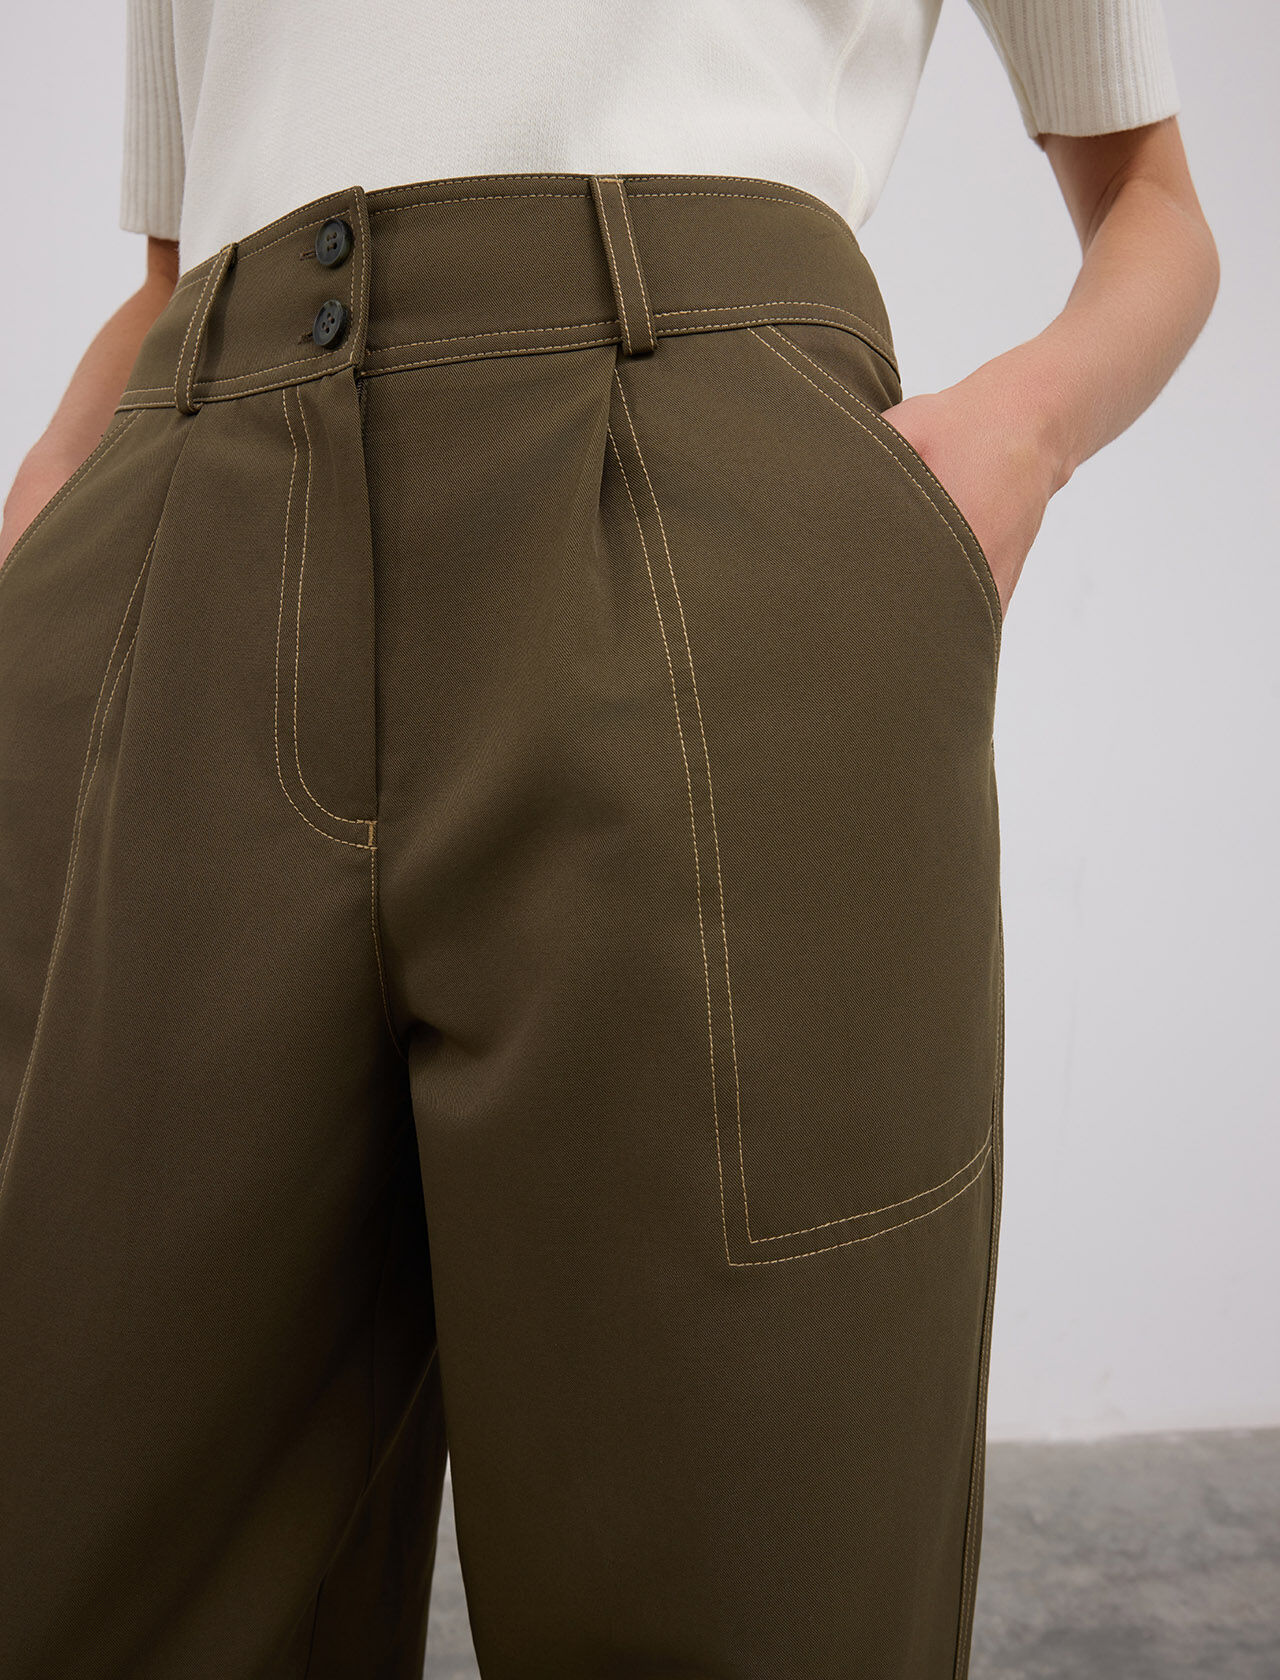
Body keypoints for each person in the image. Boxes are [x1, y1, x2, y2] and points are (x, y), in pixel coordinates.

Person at [0, 3, 1218, 1677]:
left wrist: (1012, 443)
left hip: (703, 538)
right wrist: (39, 568)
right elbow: (170, 267)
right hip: (188, 533)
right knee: (93, 1561)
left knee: (737, 1574)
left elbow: (1155, 206)